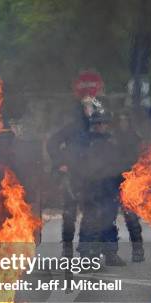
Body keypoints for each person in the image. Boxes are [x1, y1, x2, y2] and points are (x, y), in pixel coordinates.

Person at [46, 97, 100, 257]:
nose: (90, 110)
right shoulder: (73, 128)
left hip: (91, 176)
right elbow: (52, 143)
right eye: (88, 107)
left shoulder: (96, 127)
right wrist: (61, 162)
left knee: (91, 213)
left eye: (92, 107)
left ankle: (87, 251)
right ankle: (67, 249)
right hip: (73, 176)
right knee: (70, 213)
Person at [72, 110, 126, 266]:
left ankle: (110, 254)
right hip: (90, 187)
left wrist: (121, 184)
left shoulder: (112, 142)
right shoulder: (83, 142)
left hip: (109, 187)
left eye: (103, 123)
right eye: (98, 123)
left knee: (109, 220)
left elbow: (118, 165)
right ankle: (86, 256)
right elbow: (77, 165)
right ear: (93, 124)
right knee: (90, 220)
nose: (101, 126)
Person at [113, 111, 145, 262]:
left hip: (130, 181)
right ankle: (110, 252)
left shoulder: (135, 138)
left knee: (131, 218)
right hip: (112, 180)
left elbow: (142, 159)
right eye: (121, 121)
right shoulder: (113, 138)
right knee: (108, 217)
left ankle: (138, 249)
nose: (123, 123)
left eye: (125, 120)